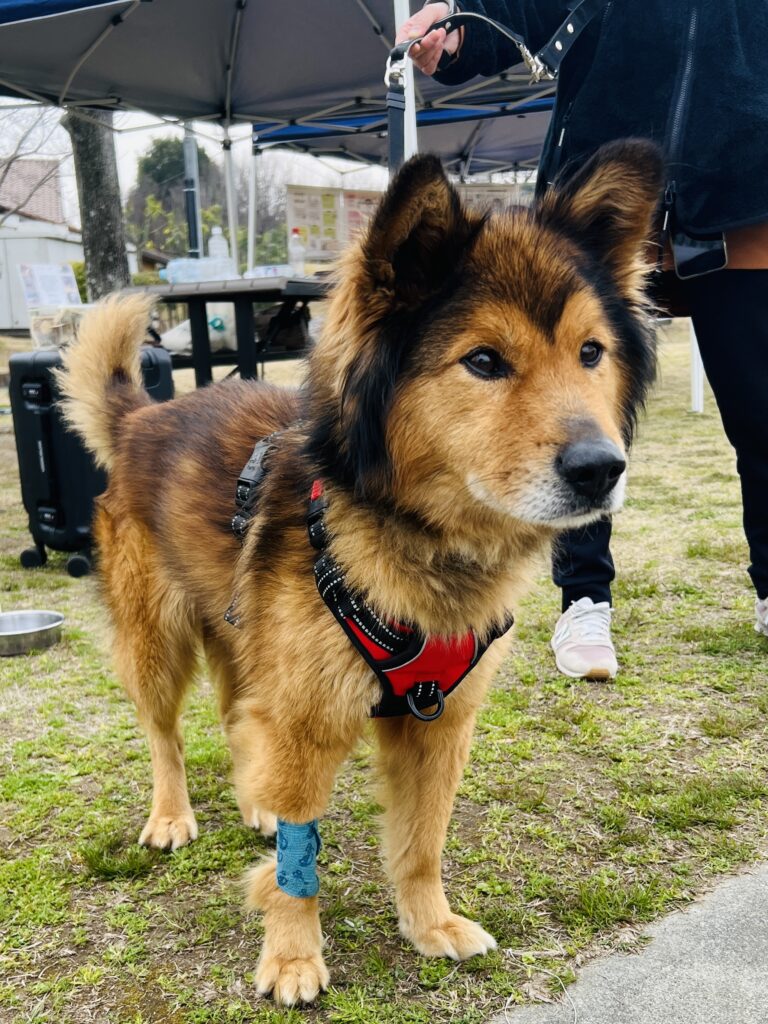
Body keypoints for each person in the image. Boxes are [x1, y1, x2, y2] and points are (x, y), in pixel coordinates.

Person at [396, 0, 768, 678]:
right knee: (573, 402)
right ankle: (584, 599)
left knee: (760, 406)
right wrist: (460, 32)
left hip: (747, 185)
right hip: (600, 181)